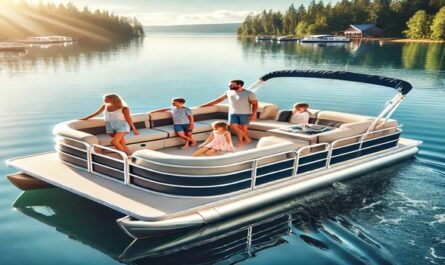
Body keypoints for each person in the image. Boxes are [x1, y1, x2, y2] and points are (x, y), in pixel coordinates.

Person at [201, 80, 258, 147]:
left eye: (232, 85)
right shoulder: (228, 92)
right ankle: (247, 139)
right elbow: (219, 100)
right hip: (232, 113)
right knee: (233, 126)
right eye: (230, 84)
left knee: (243, 128)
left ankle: (241, 141)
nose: (229, 86)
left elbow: (255, 105)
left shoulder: (249, 94)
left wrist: (254, 114)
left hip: (245, 113)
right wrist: (205, 105)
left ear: (239, 85)